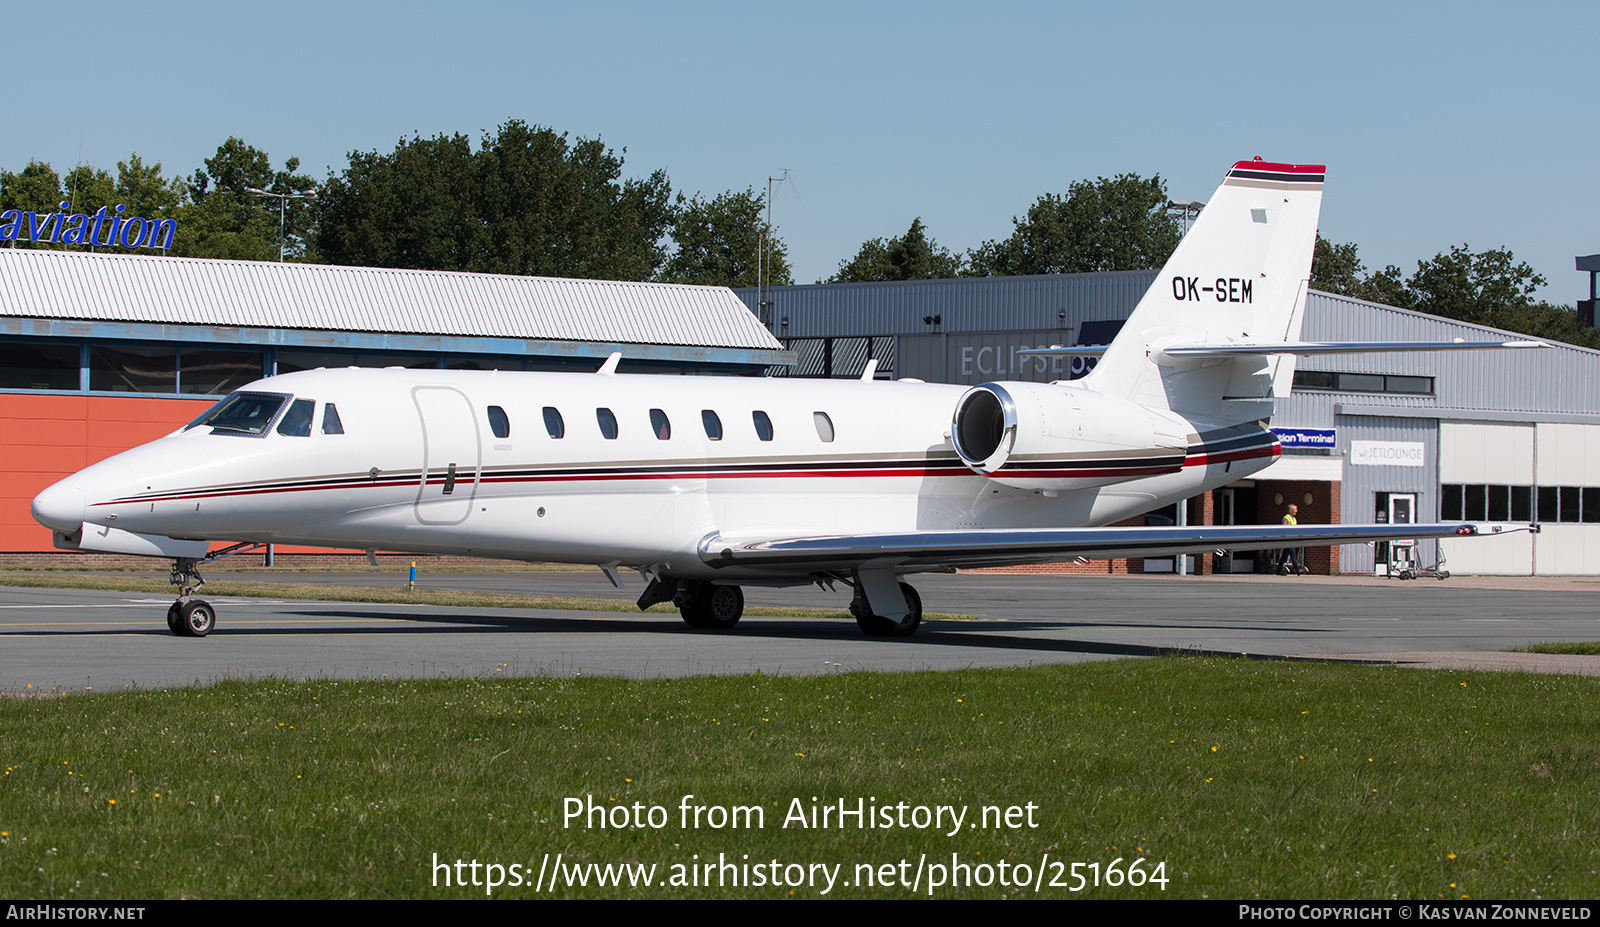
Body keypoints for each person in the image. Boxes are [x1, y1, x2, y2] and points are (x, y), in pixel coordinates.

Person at [1276, 504, 1308, 575]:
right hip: (1288, 539)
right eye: (1295, 509)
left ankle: (1278, 570)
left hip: (1292, 538)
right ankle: (1297, 570)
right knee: (1293, 554)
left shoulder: (1294, 519)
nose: (1297, 511)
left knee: (1285, 556)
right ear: (1291, 510)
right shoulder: (1286, 518)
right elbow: (1284, 528)